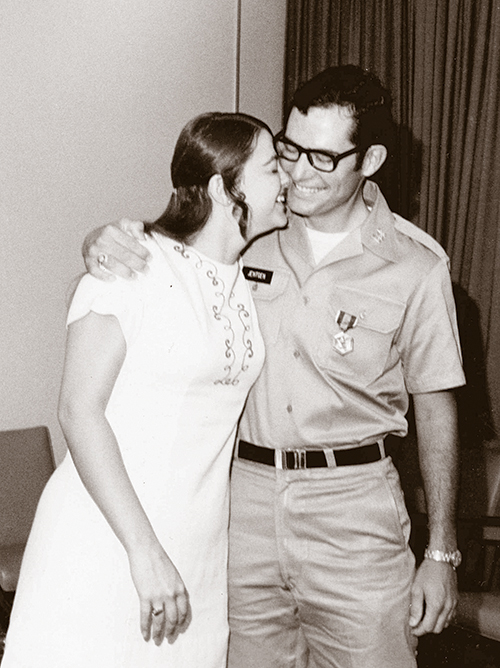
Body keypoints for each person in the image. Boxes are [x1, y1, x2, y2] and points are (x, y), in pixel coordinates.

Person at [81, 65, 465, 668]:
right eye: (290, 149)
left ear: (370, 160)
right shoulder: (250, 230)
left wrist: (441, 552)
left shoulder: (417, 269)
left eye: (323, 157)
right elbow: (165, 245)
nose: (298, 172)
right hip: (240, 504)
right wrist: (104, 239)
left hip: (354, 509)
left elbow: (438, 407)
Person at [2, 111, 288, 668]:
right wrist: (143, 551)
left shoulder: (245, 277)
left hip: (199, 550)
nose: (288, 181)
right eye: (273, 168)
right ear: (223, 187)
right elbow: (78, 411)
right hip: (111, 542)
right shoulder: (133, 264)